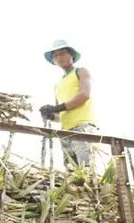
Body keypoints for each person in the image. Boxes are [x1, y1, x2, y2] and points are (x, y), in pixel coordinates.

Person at [39, 39, 97, 168]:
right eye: (56, 55)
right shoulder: (57, 85)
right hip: (65, 132)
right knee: (72, 174)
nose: (60, 57)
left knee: (86, 168)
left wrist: (57, 107)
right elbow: (61, 115)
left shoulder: (81, 72)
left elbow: (84, 95)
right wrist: (51, 115)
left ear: (71, 55)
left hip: (82, 128)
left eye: (63, 53)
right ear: (53, 60)